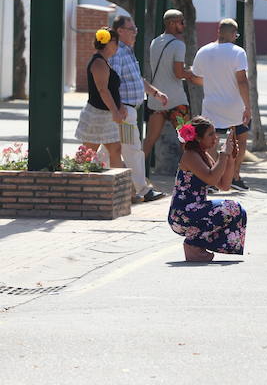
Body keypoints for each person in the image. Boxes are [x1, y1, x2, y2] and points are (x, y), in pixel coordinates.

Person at [169, 116, 246, 262]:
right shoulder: (190, 156)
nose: (215, 138)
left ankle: (198, 245)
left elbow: (224, 185)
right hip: (181, 215)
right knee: (231, 208)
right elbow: (211, 179)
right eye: (210, 134)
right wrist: (223, 154)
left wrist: (230, 159)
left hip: (195, 211)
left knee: (238, 211)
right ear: (198, 138)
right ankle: (192, 244)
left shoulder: (203, 155)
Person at [108, 15, 167, 203]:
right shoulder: (117, 52)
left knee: (108, 150)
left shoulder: (127, 51)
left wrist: (155, 93)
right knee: (132, 149)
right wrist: (118, 106)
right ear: (120, 31)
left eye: (135, 29)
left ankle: (92, 178)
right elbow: (113, 80)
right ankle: (142, 190)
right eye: (132, 29)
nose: (135, 32)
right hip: (124, 111)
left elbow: (136, 80)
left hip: (126, 110)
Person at [189, 19, 252, 192]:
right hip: (235, 106)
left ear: (218, 32)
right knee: (239, 139)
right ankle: (234, 176)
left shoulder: (203, 51)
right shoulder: (238, 52)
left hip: (211, 105)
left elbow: (195, 77)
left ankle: (210, 179)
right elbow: (242, 81)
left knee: (210, 142)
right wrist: (248, 106)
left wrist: (212, 82)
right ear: (233, 34)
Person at [74, 28, 125, 170]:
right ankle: (74, 182)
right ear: (109, 42)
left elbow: (113, 89)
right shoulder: (98, 62)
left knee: (115, 150)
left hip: (107, 114)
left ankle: (118, 186)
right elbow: (103, 90)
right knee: (87, 154)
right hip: (96, 114)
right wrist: (115, 111)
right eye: (116, 42)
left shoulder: (105, 62)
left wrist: (120, 106)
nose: (118, 45)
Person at [145, 9, 193, 159]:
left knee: (149, 140)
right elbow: (178, 73)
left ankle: (135, 173)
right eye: (181, 22)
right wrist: (190, 73)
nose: (183, 25)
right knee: (187, 140)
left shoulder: (155, 42)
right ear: (172, 23)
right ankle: (188, 177)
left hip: (157, 102)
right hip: (176, 101)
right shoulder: (178, 45)